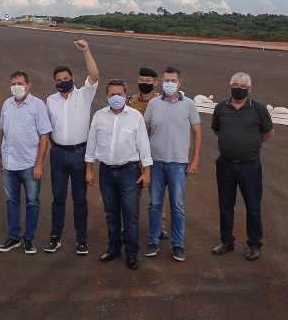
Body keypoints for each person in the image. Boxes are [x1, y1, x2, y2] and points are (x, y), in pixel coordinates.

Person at [85, 79, 152, 270]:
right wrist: (89, 169)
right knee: (111, 213)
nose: (116, 98)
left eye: (120, 94)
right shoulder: (99, 116)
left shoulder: (135, 116)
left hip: (128, 173)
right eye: (112, 94)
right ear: (107, 96)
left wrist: (146, 172)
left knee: (130, 215)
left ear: (125, 95)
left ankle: (131, 253)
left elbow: (143, 145)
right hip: (106, 172)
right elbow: (91, 143)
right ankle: (114, 247)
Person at [210, 72, 273, 261]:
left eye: (243, 86)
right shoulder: (221, 107)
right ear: (230, 86)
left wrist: (250, 146)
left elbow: (268, 133)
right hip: (225, 165)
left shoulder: (259, 108)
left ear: (250, 89)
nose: (239, 88)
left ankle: (254, 244)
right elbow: (216, 130)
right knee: (225, 206)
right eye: (235, 85)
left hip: (250, 166)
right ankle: (226, 241)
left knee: (253, 207)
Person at [45, 38, 99, 255]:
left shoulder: (84, 95)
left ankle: (82, 238)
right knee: (58, 197)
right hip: (58, 153)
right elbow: (47, 129)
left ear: (73, 79)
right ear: (55, 82)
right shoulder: (50, 100)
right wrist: (55, 146)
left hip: (79, 153)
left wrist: (86, 51)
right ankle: (55, 236)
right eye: (59, 80)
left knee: (79, 197)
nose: (63, 82)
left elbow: (94, 75)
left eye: (66, 78)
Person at [143, 66, 201, 262]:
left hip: (178, 164)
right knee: (155, 204)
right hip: (156, 162)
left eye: (173, 80)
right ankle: (153, 240)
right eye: (166, 80)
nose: (169, 83)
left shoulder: (190, 105)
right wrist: (144, 163)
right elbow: (145, 132)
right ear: (160, 82)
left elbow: (197, 132)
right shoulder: (153, 104)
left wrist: (195, 159)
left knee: (177, 206)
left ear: (179, 83)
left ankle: (178, 245)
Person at [0, 70, 52, 254]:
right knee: (12, 200)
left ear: (28, 85)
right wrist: (1, 157)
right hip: (9, 161)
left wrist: (39, 164)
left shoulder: (37, 105)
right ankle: (14, 237)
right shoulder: (7, 104)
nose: (16, 87)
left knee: (32, 202)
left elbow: (44, 135)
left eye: (19, 83)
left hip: (29, 163)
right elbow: (4, 131)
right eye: (13, 84)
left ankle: (29, 238)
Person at [127, 67, 168, 241]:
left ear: (155, 83)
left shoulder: (162, 102)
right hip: (134, 154)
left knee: (156, 193)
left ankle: (161, 225)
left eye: (148, 81)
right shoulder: (130, 101)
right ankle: (130, 224)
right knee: (132, 192)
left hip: (154, 154)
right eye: (141, 80)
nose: (144, 84)